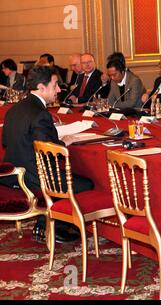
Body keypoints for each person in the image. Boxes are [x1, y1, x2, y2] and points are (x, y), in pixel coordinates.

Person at [1, 66, 94, 243]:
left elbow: (6, 142)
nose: (59, 89)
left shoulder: (14, 109)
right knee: (86, 184)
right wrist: (63, 142)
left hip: (12, 174)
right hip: (33, 176)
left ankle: (43, 223)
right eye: (55, 85)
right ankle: (53, 226)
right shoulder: (40, 114)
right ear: (42, 88)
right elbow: (48, 150)